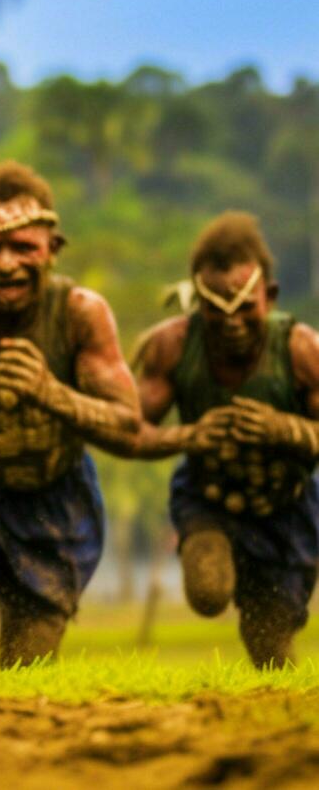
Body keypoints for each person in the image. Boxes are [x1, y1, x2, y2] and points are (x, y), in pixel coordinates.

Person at [0, 161, 138, 665]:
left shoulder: (81, 314)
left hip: (56, 499)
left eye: (24, 247)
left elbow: (127, 423)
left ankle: (4, 725)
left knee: (25, 669)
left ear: (52, 250)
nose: (5, 263)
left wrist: (51, 393)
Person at [124, 212, 319, 667]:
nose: (230, 322)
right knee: (209, 591)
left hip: (285, 509)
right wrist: (188, 436)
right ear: (198, 303)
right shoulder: (171, 346)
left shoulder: (301, 349)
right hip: (208, 501)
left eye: (244, 309)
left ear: (267, 298)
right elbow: (127, 429)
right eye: (216, 309)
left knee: (270, 642)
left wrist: (285, 428)